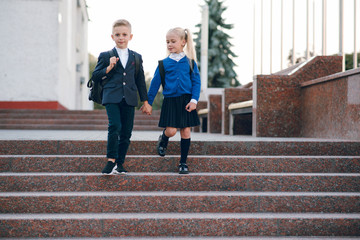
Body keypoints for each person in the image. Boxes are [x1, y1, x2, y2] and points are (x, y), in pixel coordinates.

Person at [92, 19, 151, 174]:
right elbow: (95, 75)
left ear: (130, 36)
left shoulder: (136, 57)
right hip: (111, 96)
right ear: (112, 37)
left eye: (124, 34)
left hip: (129, 98)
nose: (121, 37)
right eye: (117, 34)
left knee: (126, 132)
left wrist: (146, 101)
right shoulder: (105, 55)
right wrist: (109, 67)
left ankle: (120, 163)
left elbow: (140, 80)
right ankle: (111, 160)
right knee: (115, 126)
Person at [141, 27, 201, 174]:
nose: (169, 44)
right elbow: (155, 84)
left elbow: (196, 83)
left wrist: (194, 100)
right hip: (170, 101)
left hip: (187, 101)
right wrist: (148, 102)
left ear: (183, 42)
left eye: (173, 41)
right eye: (167, 41)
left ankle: (183, 163)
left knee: (186, 131)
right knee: (172, 131)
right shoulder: (163, 64)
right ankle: (164, 138)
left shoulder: (191, 63)